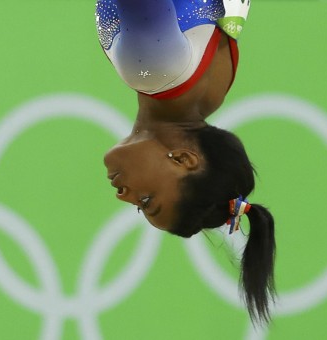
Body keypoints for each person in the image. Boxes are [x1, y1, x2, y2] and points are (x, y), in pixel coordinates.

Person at [96, 0, 276, 324]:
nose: (122, 195)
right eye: (147, 201)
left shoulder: (214, 89)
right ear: (184, 159)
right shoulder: (151, 67)